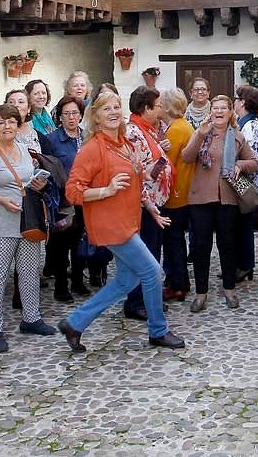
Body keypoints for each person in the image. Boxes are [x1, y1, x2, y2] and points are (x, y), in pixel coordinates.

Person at [59, 91, 184, 352]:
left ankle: (75, 323)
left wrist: (148, 185)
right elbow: (72, 192)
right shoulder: (92, 149)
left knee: (127, 281)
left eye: (117, 106)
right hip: (112, 225)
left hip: (129, 221)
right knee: (152, 272)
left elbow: (135, 183)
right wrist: (105, 190)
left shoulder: (125, 144)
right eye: (106, 109)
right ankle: (158, 331)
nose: (114, 112)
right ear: (95, 116)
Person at [0, 104, 54, 352]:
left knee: (28, 271)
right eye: (2, 122)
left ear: (18, 124)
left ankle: (31, 318)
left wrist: (36, 184)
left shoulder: (24, 150)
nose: (7, 126)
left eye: (12, 122)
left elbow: (25, 180)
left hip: (26, 221)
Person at [181, 95, 258, 311]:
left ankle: (229, 288)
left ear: (230, 112)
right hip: (200, 198)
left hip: (228, 199)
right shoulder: (201, 132)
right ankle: (201, 293)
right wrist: (199, 134)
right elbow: (186, 157)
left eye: (224, 108)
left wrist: (240, 165)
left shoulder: (237, 136)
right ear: (210, 111)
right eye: (216, 108)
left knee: (227, 244)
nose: (220, 111)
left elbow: (253, 162)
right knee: (201, 246)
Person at [123, 85, 174, 321]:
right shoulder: (134, 132)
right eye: (158, 105)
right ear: (146, 108)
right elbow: (136, 170)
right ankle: (135, 302)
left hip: (153, 200)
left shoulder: (149, 129)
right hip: (143, 204)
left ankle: (148, 298)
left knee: (153, 253)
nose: (162, 109)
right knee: (144, 254)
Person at [39, 95, 84, 302]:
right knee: (61, 244)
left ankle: (78, 280)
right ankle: (61, 285)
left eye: (75, 113)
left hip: (86, 197)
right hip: (63, 199)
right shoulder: (51, 139)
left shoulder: (87, 136)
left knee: (80, 242)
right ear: (60, 116)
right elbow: (48, 168)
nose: (71, 117)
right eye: (66, 114)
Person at [158, 87, 195, 301]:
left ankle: (178, 284)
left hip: (175, 195)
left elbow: (164, 164)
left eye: (161, 104)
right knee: (177, 241)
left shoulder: (176, 130)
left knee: (174, 243)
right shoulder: (184, 126)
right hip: (183, 192)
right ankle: (180, 282)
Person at [232, 85, 258, 283]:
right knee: (240, 226)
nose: (233, 101)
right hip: (241, 183)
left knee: (243, 226)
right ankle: (242, 264)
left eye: (236, 98)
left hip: (245, 185)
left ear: (243, 102)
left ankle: (245, 265)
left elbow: (250, 158)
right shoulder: (242, 123)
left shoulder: (250, 126)